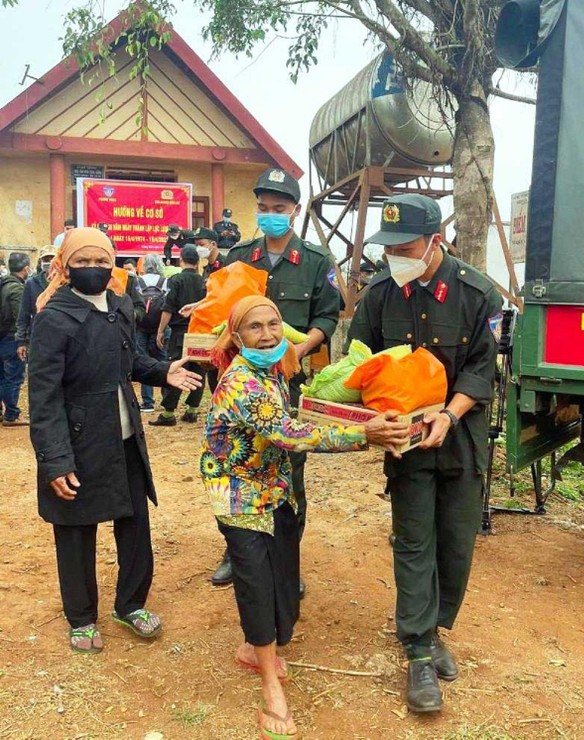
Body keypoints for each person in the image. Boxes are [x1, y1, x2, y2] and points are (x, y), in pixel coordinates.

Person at [203, 295, 409, 738]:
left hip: (274, 488)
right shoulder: (242, 382)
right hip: (238, 495)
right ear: (237, 338)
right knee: (257, 582)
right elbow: (288, 432)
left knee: (282, 579)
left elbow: (289, 419)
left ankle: (253, 647)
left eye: (274, 323)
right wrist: (363, 433)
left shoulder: (272, 370)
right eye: (255, 328)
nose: (268, 334)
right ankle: (271, 688)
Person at [346, 194, 503, 713]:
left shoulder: (475, 293)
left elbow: (482, 368)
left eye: (405, 246)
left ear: (435, 240)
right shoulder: (378, 296)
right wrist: (371, 421)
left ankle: (436, 631)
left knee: (456, 542)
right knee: (414, 539)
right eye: (387, 248)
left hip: (458, 434)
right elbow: (359, 366)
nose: (395, 256)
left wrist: (449, 414)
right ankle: (417, 648)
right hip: (405, 443)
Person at [28, 227, 202, 653]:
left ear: (113, 264)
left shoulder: (120, 306)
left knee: (134, 522)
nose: (93, 269)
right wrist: (55, 460)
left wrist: (163, 372)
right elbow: (44, 397)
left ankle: (131, 604)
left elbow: (130, 361)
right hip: (78, 440)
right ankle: (82, 617)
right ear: (65, 267)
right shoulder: (53, 316)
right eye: (82, 262)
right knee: (75, 528)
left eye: (100, 261)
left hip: (123, 437)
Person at [211, 168, 341, 594]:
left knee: (288, 470)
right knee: (237, 464)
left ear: (296, 211)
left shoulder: (317, 262)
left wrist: (298, 351)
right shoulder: (238, 257)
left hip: (287, 385)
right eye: (263, 209)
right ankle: (236, 551)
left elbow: (327, 316)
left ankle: (287, 560)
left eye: (279, 209)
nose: (270, 216)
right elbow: (222, 316)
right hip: (240, 386)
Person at [149, 245, 206, 426]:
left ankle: (168, 413)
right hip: (199, 333)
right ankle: (192, 411)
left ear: (181, 260)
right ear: (197, 262)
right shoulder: (204, 281)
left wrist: (160, 331)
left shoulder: (176, 280)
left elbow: (168, 308)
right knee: (198, 371)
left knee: (175, 368)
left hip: (180, 334)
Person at [136, 254, 170, 412]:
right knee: (163, 361)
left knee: (143, 361)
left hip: (141, 326)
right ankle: (167, 399)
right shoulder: (165, 282)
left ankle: (148, 402)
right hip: (160, 327)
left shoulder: (138, 281)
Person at [0, 252, 30, 426]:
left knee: (2, 377)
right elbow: (21, 318)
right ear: (26, 269)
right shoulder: (18, 289)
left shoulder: (3, 284)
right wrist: (23, 341)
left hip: (2, 336)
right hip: (11, 339)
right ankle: (11, 415)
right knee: (13, 377)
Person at [15, 246, 57, 362]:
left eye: (52, 258)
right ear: (40, 262)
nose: (49, 263)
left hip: (61, 336)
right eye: (46, 260)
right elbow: (23, 314)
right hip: (38, 338)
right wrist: (21, 341)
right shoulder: (32, 284)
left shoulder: (65, 283)